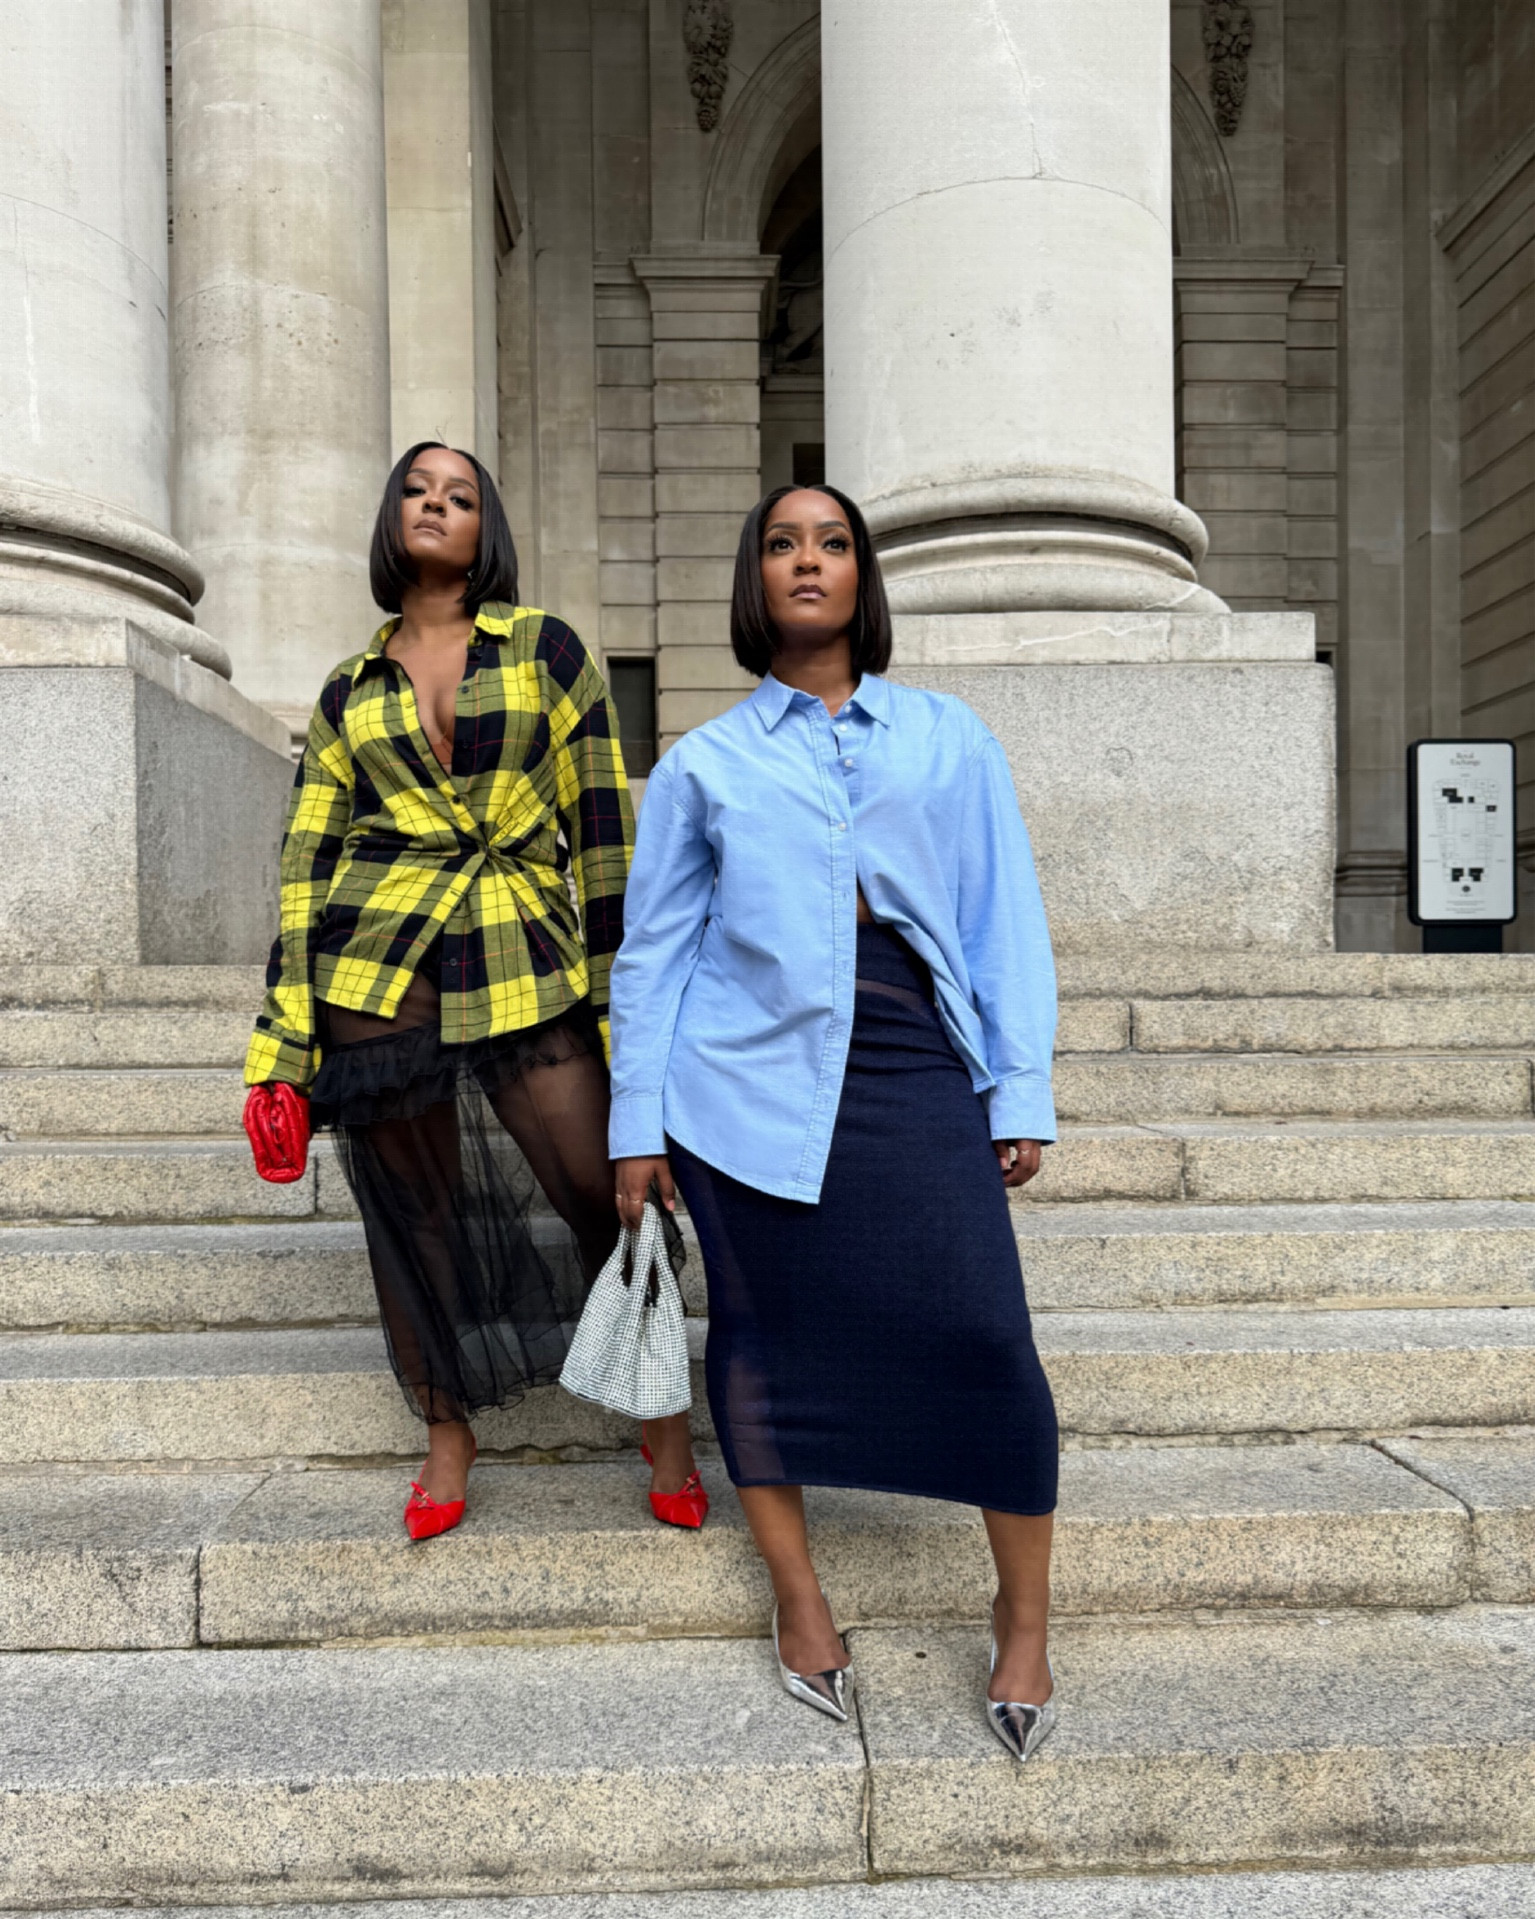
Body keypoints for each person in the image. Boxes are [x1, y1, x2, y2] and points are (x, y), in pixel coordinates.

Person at [607, 484, 1060, 1759]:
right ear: (755, 581)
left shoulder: (947, 736)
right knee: (760, 1339)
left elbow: (997, 915)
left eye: (832, 542)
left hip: (915, 1056)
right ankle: (800, 1600)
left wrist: (1015, 1086)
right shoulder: (703, 764)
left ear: (862, 576)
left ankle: (1020, 1615)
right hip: (740, 1084)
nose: (807, 560)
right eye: (780, 543)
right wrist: (636, 1126)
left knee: (984, 1333)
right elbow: (652, 959)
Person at [244, 441, 703, 1541]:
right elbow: (306, 864)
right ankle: (447, 1428)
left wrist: (626, 1027)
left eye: (459, 494)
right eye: (417, 490)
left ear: (484, 522)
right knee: (416, 1217)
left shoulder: (545, 648)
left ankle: (666, 1420)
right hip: (375, 964)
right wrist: (281, 1046)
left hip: (523, 951)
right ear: (391, 519)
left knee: (606, 1192)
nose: (437, 505)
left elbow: (601, 835)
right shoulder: (346, 688)